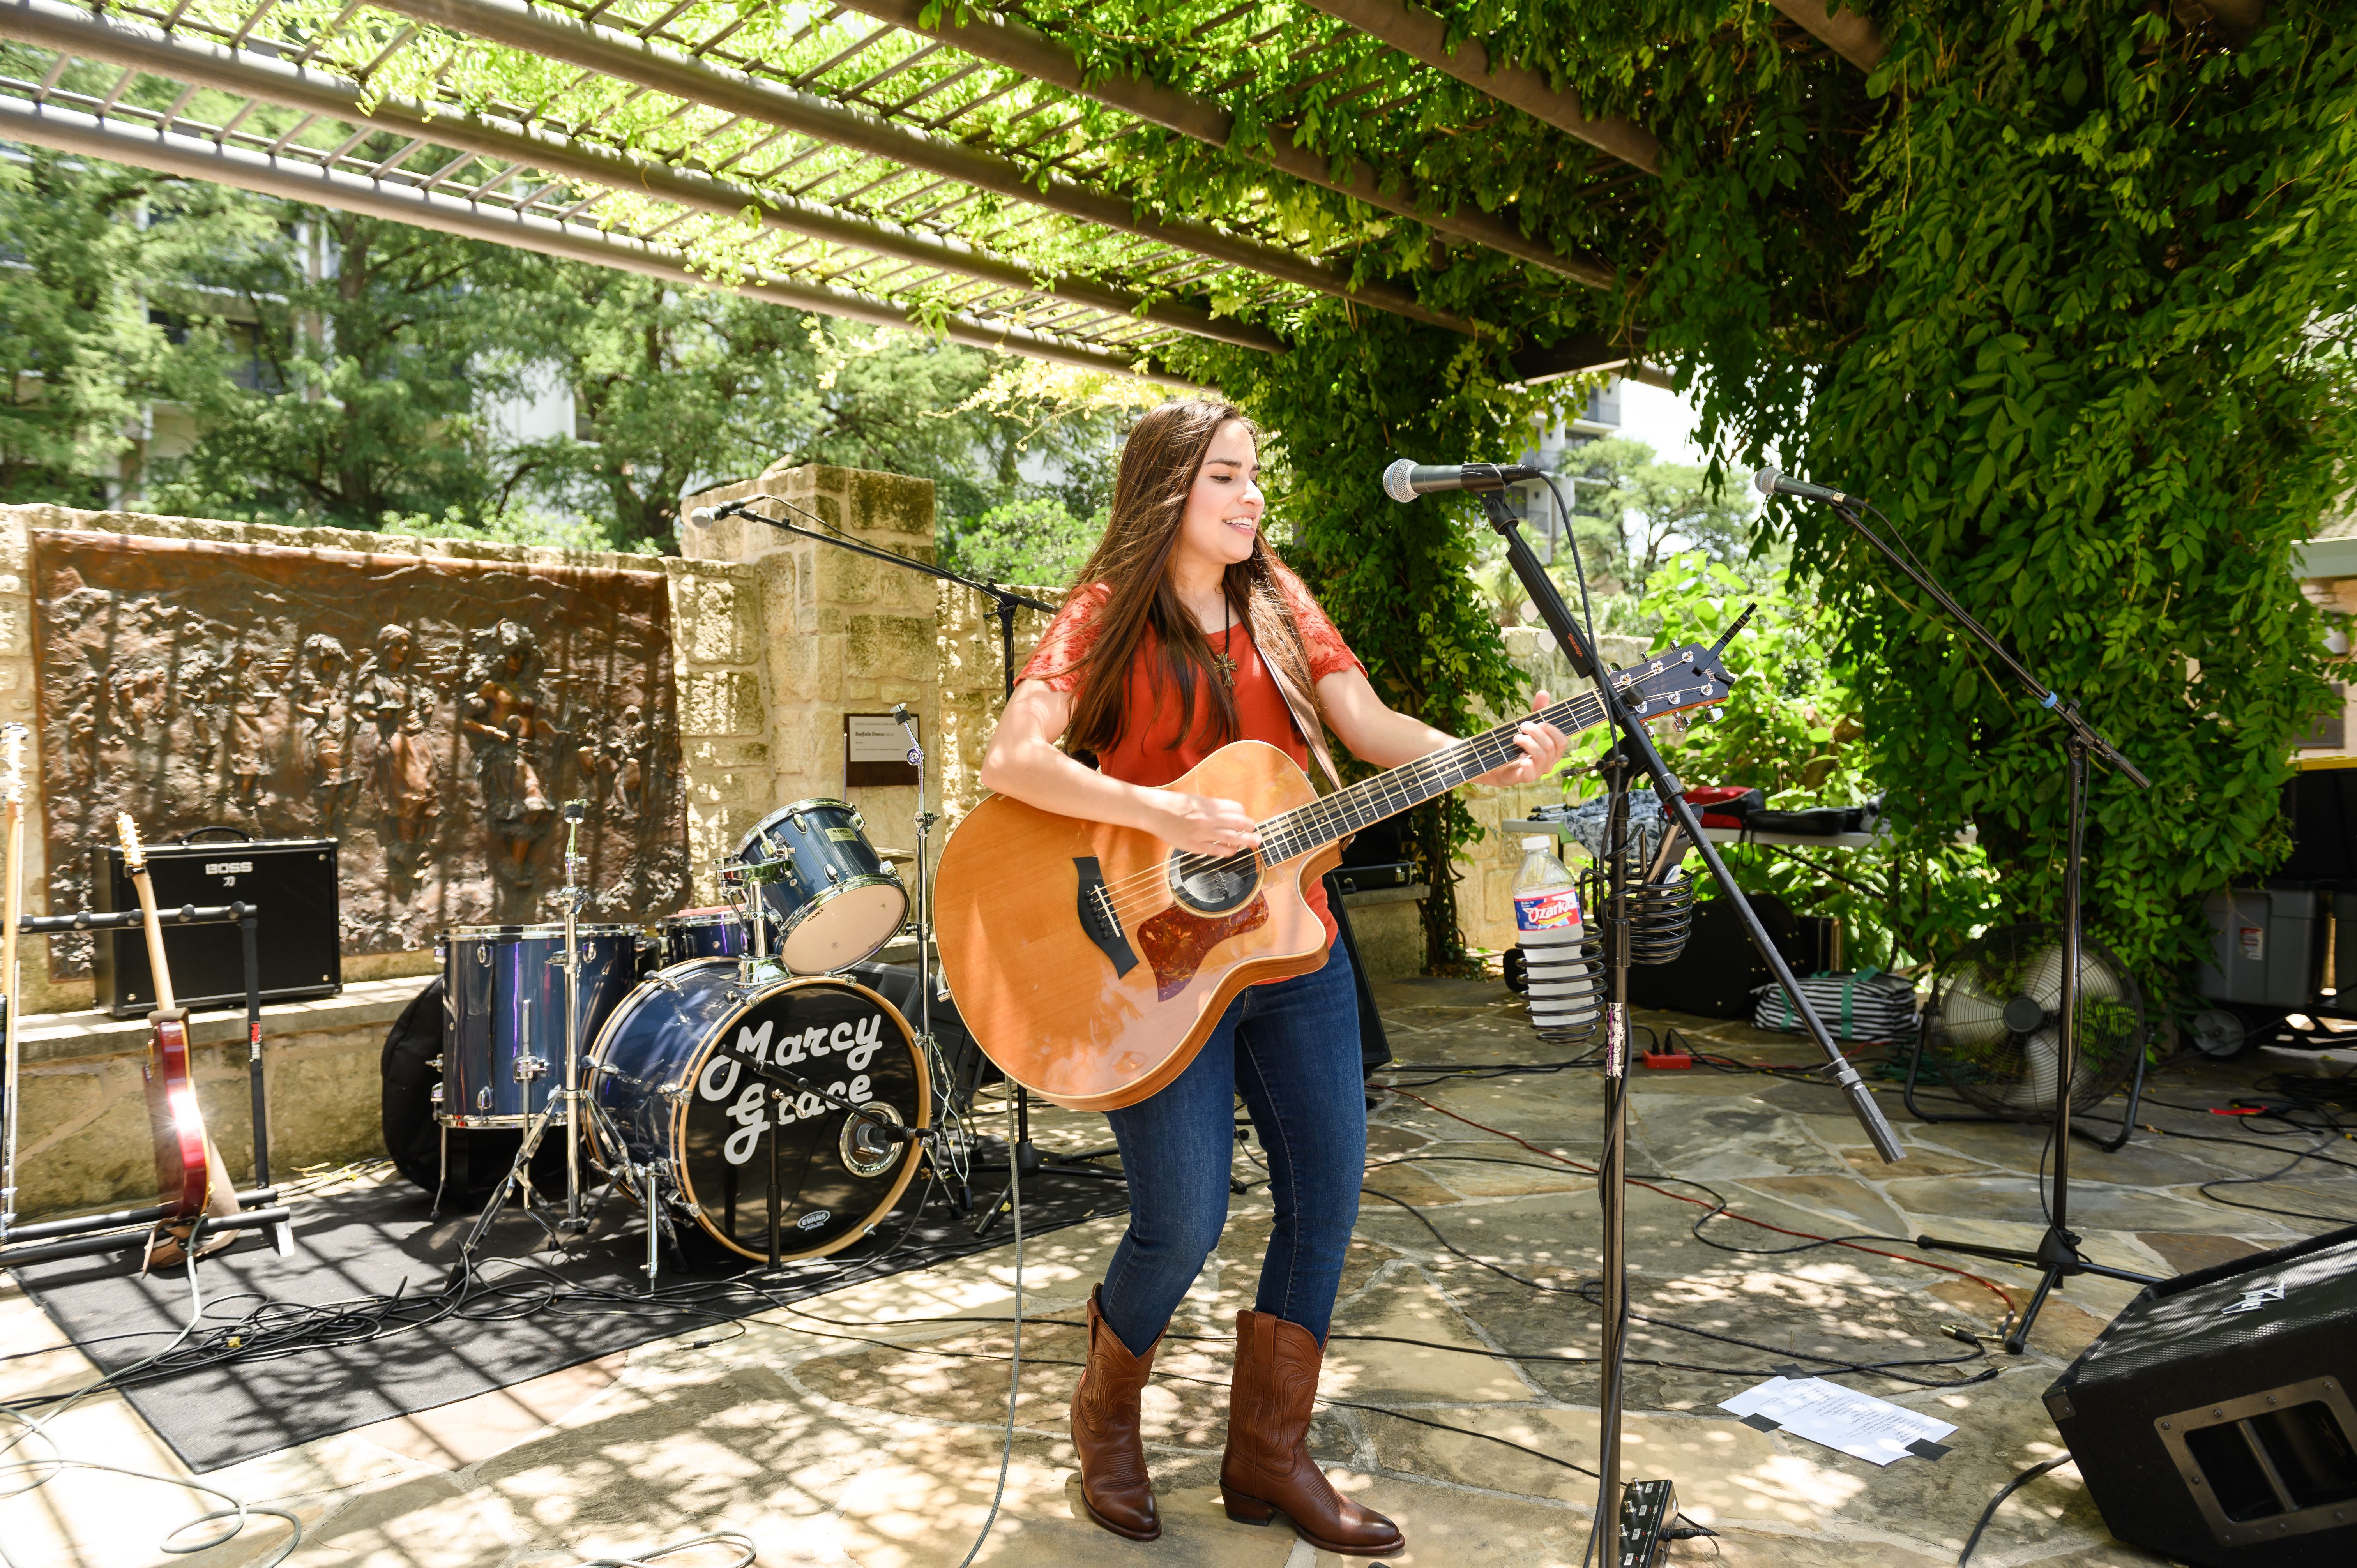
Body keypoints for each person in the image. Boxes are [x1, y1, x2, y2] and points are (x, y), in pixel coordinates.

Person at [979, 400, 1568, 1554]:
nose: (1252, 499)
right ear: (1166, 493)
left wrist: (1484, 760)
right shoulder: (1106, 612)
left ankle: (1269, 1456)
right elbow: (1015, 757)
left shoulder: (1278, 600)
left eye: (1257, 478)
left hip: (1293, 942)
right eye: (1227, 479)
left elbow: (1365, 721)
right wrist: (1157, 811)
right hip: (1144, 962)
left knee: (1327, 1200)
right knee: (1183, 1221)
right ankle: (1104, 1410)